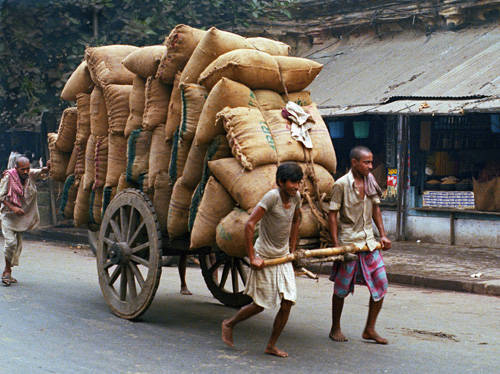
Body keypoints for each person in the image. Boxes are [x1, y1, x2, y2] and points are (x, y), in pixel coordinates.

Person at [222, 161, 303, 358]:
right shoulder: (271, 198)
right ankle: (229, 323)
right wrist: (252, 257)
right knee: (260, 304)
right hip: (265, 256)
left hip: (282, 257)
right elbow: (250, 224)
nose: (296, 187)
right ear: (281, 182)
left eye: (299, 182)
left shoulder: (296, 197)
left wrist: (292, 251)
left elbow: (296, 220)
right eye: (293, 182)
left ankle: (271, 345)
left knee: (287, 302)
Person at [328, 146, 392, 344]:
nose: (371, 166)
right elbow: (332, 214)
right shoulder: (341, 184)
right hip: (349, 242)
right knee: (341, 288)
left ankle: (369, 329)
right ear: (354, 163)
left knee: (381, 283)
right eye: (366, 162)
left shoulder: (370, 181)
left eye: (371, 162)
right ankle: (335, 327)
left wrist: (382, 235)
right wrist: (336, 245)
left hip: (369, 242)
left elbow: (375, 209)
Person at [1, 156, 50, 286]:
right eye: (23, 169)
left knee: (17, 246)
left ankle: (9, 268)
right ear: (16, 169)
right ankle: (7, 270)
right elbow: (1, 196)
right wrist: (13, 207)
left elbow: (42, 171)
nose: (26, 171)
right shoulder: (8, 177)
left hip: (22, 218)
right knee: (11, 243)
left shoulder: (30, 175)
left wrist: (48, 167)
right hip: (9, 216)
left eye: (28, 168)